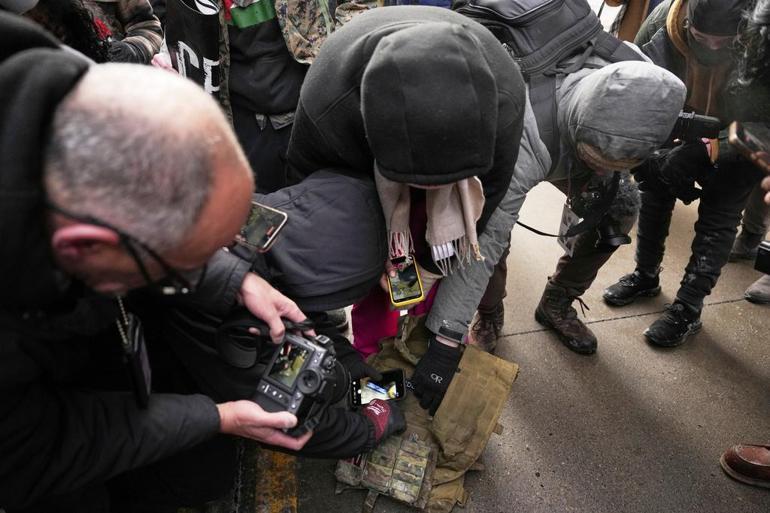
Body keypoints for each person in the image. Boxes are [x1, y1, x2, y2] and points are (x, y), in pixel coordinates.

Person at [0, 14, 314, 512]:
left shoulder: (61, 87)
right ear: (85, 247)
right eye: (175, 270)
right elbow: (40, 447)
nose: (187, 278)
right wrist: (220, 418)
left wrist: (235, 280)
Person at [285, 5, 527, 414]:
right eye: (420, 182)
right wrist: (365, 261)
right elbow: (309, 200)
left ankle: (423, 357)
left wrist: (433, 270)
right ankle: (374, 383)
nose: (427, 190)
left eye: (436, 182)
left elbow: (486, 209)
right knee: (380, 301)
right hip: (364, 177)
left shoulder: (504, 99)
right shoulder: (329, 101)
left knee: (437, 274)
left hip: (448, 189)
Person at [426, 54, 687, 356]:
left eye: (615, 164)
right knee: (487, 223)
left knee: (620, 208)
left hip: (575, 145)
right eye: (597, 159)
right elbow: (485, 242)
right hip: (531, 141)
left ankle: (557, 300)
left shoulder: (644, 80)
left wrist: (615, 166)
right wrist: (446, 335)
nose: (602, 170)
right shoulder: (524, 131)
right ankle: (489, 310)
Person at [602, 0, 765, 347]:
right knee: (654, 185)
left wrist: (711, 147)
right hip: (680, 122)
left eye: (724, 41)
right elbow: (641, 83)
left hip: (742, 134)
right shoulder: (664, 22)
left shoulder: (762, 34)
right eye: (702, 37)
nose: (712, 47)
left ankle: (688, 308)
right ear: (687, 18)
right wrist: (655, 142)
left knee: (719, 216)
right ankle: (645, 276)